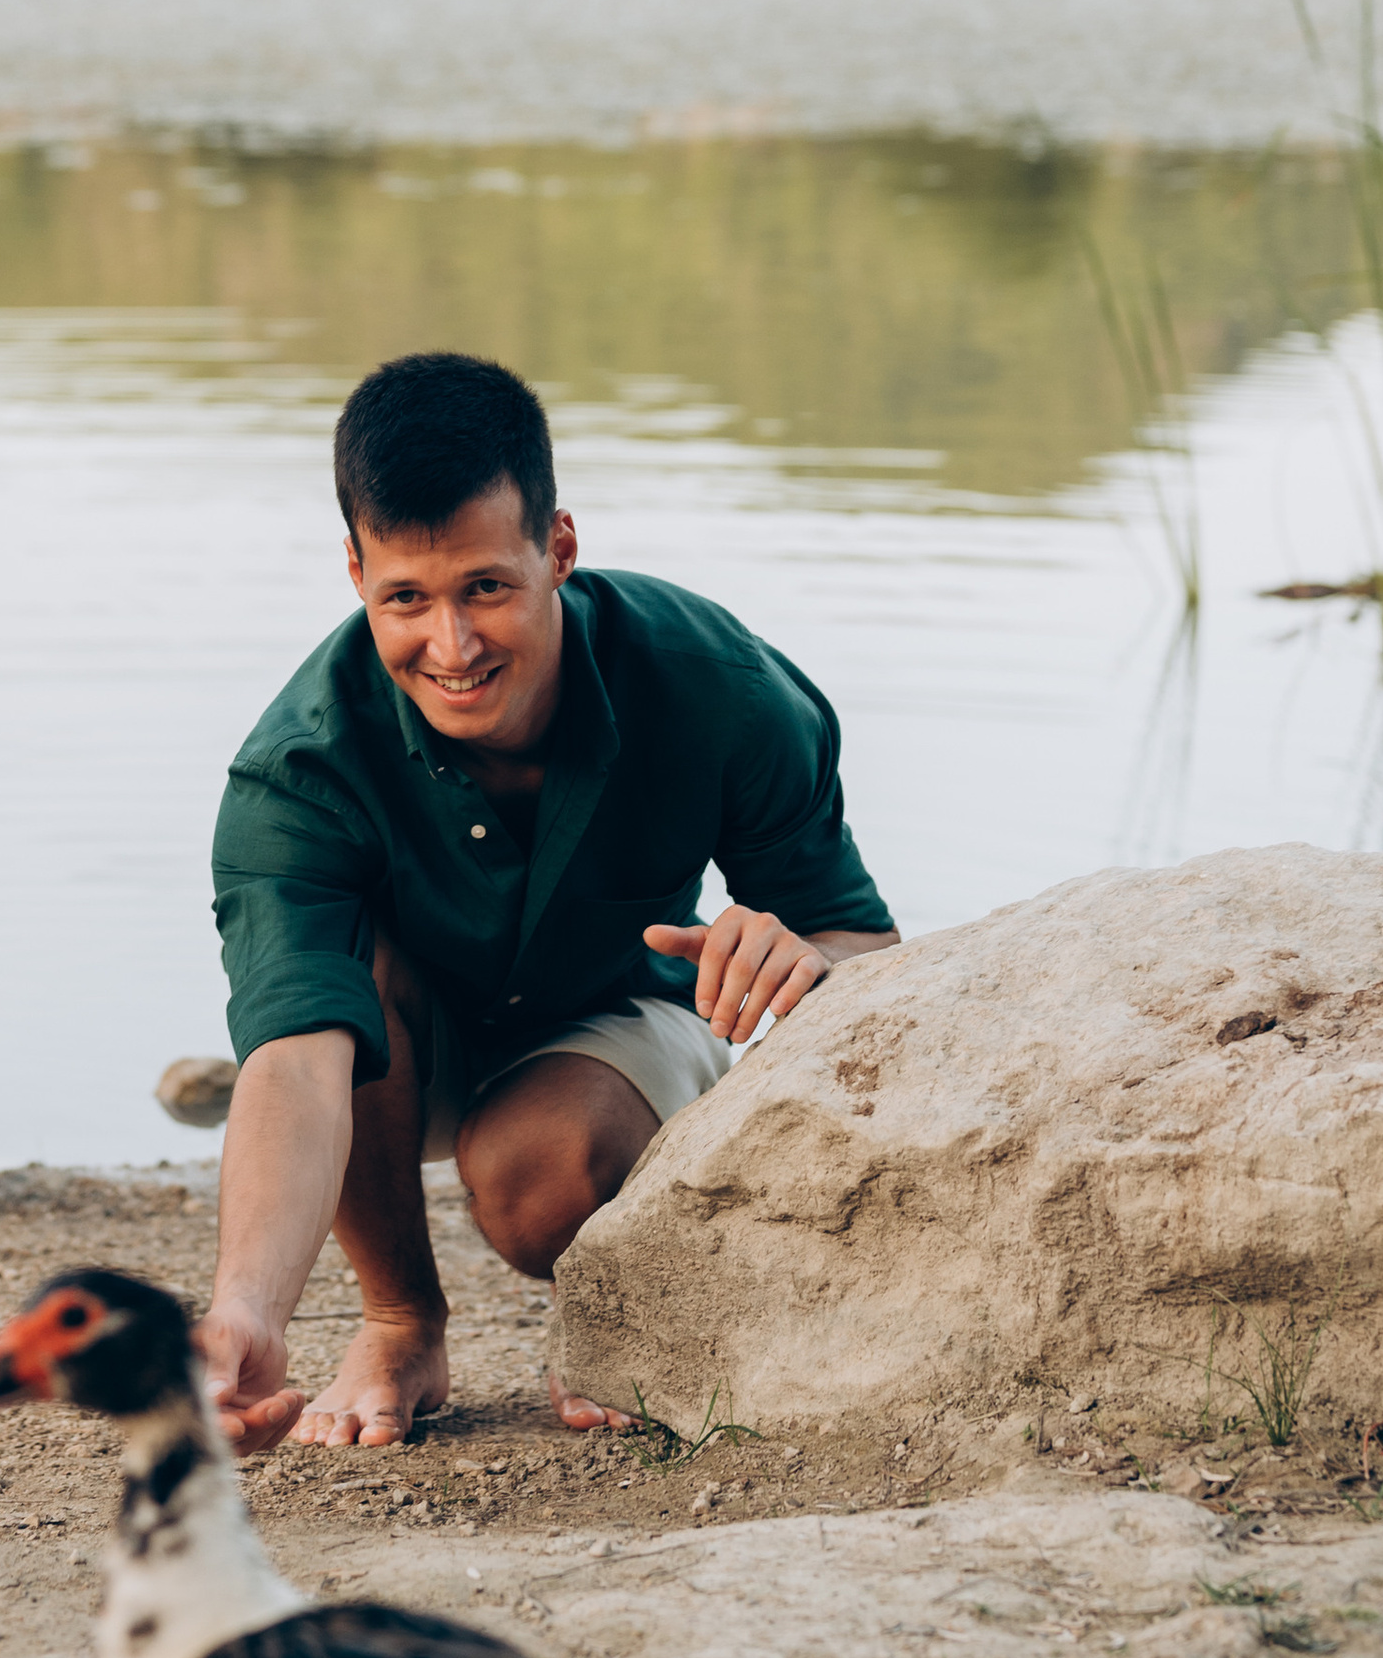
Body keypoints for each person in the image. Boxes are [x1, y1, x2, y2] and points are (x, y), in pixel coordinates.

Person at [198, 352, 897, 1451]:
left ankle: (647, 1283)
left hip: (611, 1017)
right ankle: (401, 1321)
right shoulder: (297, 771)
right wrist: (245, 1311)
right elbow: (291, 1058)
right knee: (342, 983)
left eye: (485, 585)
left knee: (532, 1179)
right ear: (354, 575)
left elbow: (868, 949)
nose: (454, 644)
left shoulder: (721, 685)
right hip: (404, 1049)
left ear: (558, 548)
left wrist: (797, 960)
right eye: (406, 599)